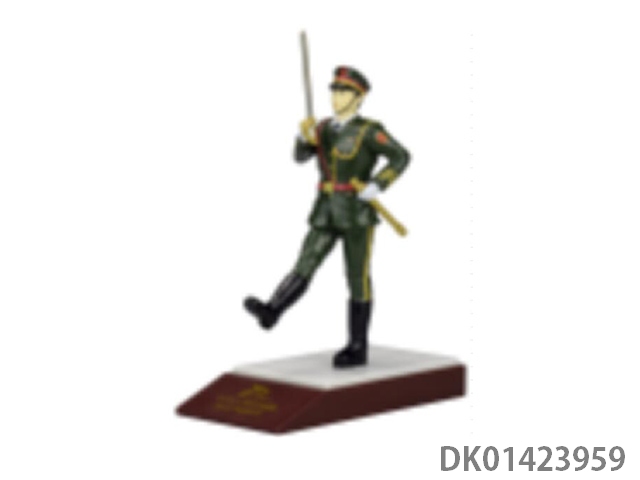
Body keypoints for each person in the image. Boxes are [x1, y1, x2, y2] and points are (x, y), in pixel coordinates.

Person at [244, 66, 410, 368]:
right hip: (325, 209)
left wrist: (377, 184)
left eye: (344, 92)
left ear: (359, 97)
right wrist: (302, 136)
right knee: (305, 262)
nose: (336, 97)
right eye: (334, 91)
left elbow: (401, 156)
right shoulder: (322, 128)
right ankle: (272, 311)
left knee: (357, 276)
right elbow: (300, 158)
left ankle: (357, 346)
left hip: (356, 213)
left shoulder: (368, 130)